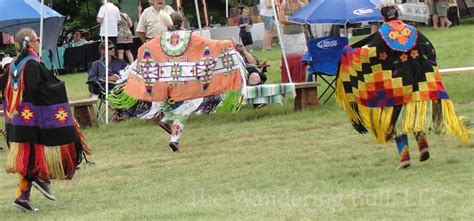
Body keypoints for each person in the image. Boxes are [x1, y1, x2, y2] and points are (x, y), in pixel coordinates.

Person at [335, 4, 470, 169]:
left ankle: (404, 156)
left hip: (395, 85)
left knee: (396, 119)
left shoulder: (382, 35)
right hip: (416, 81)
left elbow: (366, 52)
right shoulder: (412, 31)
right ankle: (422, 144)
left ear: (383, 17)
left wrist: (348, 52)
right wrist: (427, 66)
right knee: (412, 114)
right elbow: (428, 47)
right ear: (397, 14)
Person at [0, 28, 90, 212]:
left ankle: (22, 197)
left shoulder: (14, 65)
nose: (39, 40)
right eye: (37, 38)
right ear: (29, 43)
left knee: (28, 158)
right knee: (34, 159)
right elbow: (44, 89)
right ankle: (40, 177)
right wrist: (60, 87)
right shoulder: (32, 64)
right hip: (32, 122)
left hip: (18, 122)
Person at [278, 0, 308, 83]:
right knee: (289, 57)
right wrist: (295, 21)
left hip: (299, 35)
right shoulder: (284, 4)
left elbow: (304, 20)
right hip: (287, 36)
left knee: (301, 57)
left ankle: (301, 78)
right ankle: (289, 78)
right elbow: (281, 19)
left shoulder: (302, 5)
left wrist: (289, 20)